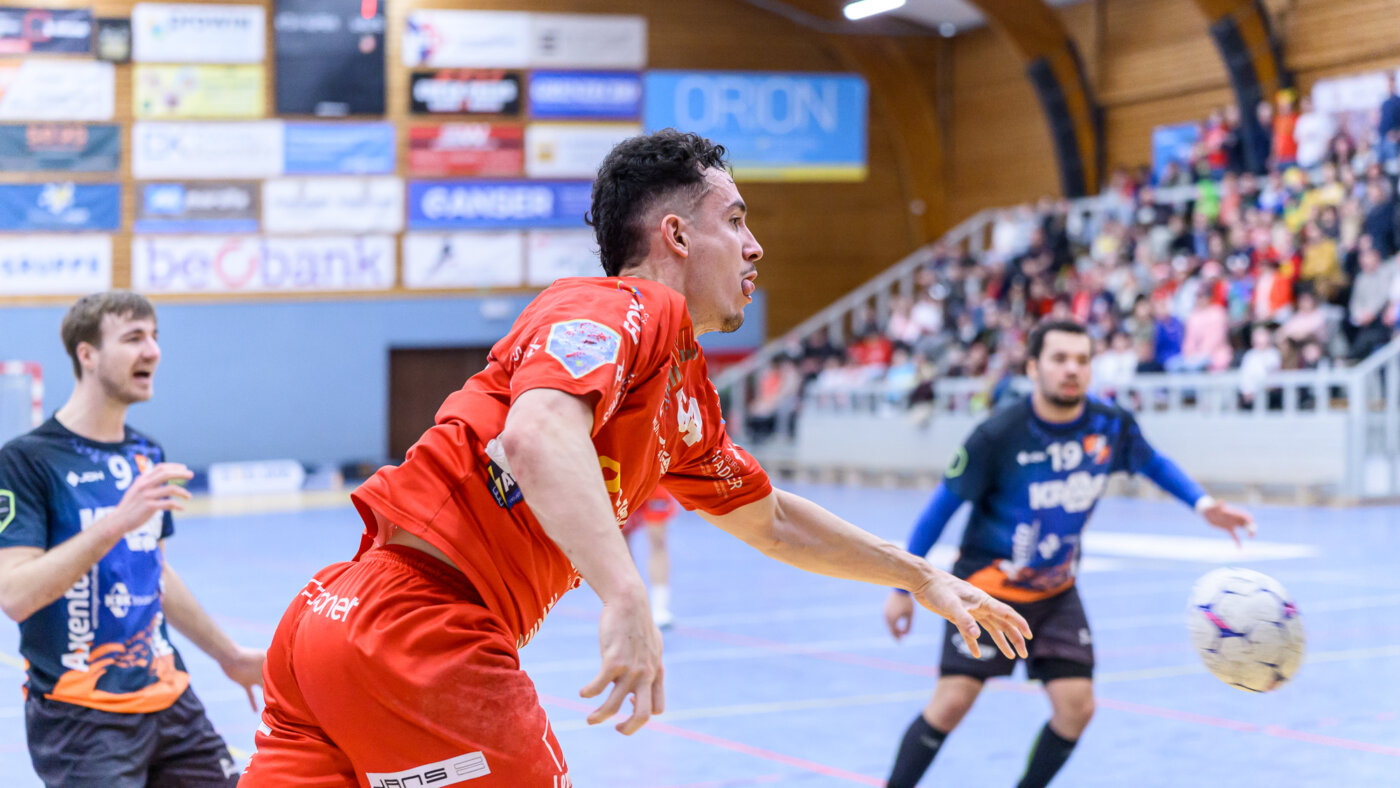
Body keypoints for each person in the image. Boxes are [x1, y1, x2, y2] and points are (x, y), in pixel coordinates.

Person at [241, 130, 1032, 787]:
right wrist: (625, 595)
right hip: (421, 627)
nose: (755, 247)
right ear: (677, 236)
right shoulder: (619, 304)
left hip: (327, 625)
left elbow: (775, 523)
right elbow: (536, 434)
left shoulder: (681, 399)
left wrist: (917, 574)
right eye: (736, 221)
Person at [881, 320, 1255, 788]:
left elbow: (1152, 462)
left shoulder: (1109, 424)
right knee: (952, 702)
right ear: (1033, 367)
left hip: (1056, 591)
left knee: (1077, 708)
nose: (1072, 369)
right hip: (987, 592)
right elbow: (940, 510)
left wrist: (1203, 505)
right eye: (1059, 359)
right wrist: (902, 588)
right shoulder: (998, 435)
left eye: (1081, 359)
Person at [0, 291, 266, 787]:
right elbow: (14, 595)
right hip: (82, 719)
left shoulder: (146, 453)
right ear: (87, 354)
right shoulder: (26, 461)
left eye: (155, 337)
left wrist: (228, 656)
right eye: (134, 338)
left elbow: (155, 571)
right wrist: (115, 523)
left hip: (171, 702)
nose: (152, 351)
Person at [622, 488, 679, 628]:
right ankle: (629, 605)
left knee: (658, 539)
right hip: (624, 483)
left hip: (653, 485)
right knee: (622, 546)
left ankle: (660, 607)